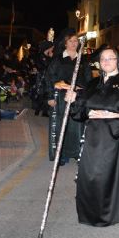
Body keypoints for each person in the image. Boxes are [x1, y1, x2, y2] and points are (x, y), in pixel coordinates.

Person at [66, 47, 119, 227]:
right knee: (92, 175)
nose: (106, 62)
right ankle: (92, 212)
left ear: (117, 61)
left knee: (111, 177)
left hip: (117, 138)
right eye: (103, 59)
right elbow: (79, 114)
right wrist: (74, 100)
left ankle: (113, 213)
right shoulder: (92, 84)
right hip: (93, 138)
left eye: (110, 58)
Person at [45, 30, 92, 164]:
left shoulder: (83, 61)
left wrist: (81, 90)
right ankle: (62, 153)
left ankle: (78, 152)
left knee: (77, 125)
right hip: (61, 98)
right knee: (62, 125)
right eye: (70, 41)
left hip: (77, 98)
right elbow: (49, 78)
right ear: (65, 43)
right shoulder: (58, 59)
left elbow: (88, 80)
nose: (73, 43)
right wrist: (50, 96)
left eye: (76, 41)